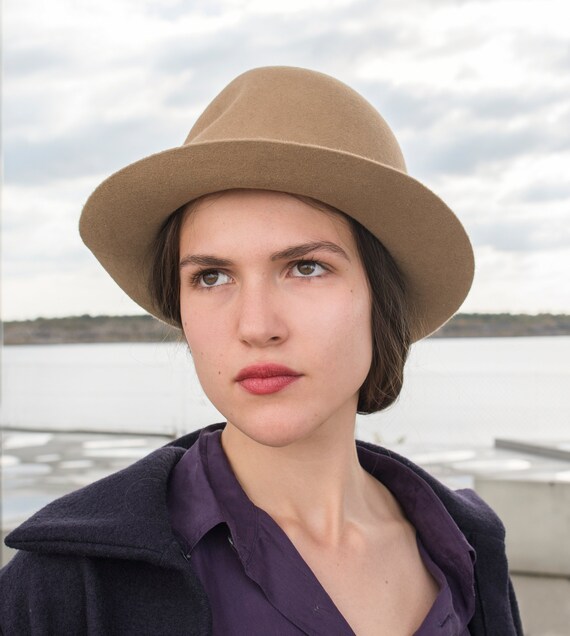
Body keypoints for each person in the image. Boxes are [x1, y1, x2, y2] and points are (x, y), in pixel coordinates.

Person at [0, 67, 523, 635]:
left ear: (381, 297)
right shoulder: (67, 583)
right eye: (212, 276)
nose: (256, 326)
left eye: (306, 267)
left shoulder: (467, 546)